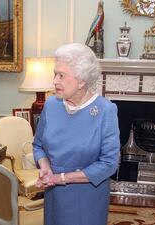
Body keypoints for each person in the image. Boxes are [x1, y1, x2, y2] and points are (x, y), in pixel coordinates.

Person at [33, 43, 120, 225]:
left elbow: (109, 163)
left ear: (82, 81)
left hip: (88, 196)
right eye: (55, 74)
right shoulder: (51, 105)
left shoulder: (105, 111)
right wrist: (45, 166)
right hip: (54, 194)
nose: (55, 81)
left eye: (61, 76)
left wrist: (62, 178)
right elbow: (38, 145)